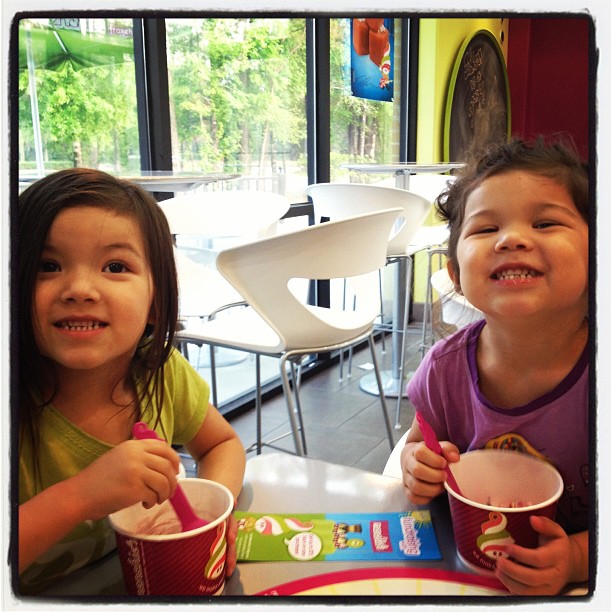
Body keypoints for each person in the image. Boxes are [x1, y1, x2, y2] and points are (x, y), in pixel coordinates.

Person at [16, 168, 246, 594]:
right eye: (48, 266)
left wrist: (216, 509)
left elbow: (221, 444)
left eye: (115, 266)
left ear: (156, 301)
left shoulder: (159, 372)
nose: (79, 289)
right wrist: (80, 496)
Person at [400, 138, 589, 595]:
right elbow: (417, 442)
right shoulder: (444, 370)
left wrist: (578, 558)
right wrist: (416, 465)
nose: (512, 239)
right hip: (468, 574)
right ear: (455, 275)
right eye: (486, 229)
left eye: (545, 223)